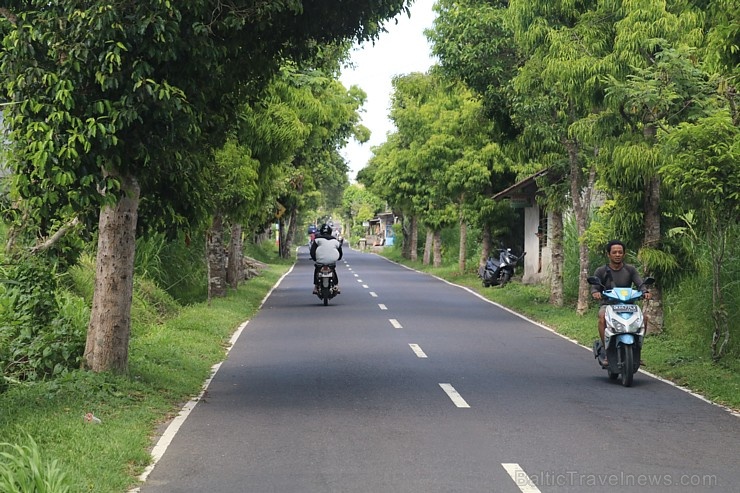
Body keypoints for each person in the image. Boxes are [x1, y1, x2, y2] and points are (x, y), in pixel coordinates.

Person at [590, 240, 652, 365]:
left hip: (628, 305)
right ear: (609, 254)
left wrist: (645, 291)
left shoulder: (630, 270)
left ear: (624, 254)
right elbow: (594, 287)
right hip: (608, 305)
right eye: (614, 252)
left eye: (620, 252)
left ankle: (637, 351)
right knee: (602, 318)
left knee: (644, 318)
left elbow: (640, 284)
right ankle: (606, 351)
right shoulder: (601, 271)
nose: (617, 254)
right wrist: (595, 292)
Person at [310, 223, 343, 294]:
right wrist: (339, 258)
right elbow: (340, 252)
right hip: (331, 262)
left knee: (317, 270)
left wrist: (315, 259)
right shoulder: (335, 240)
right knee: (333, 270)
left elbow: (312, 251)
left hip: (320, 262)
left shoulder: (317, 240)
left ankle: (316, 286)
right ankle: (336, 285)